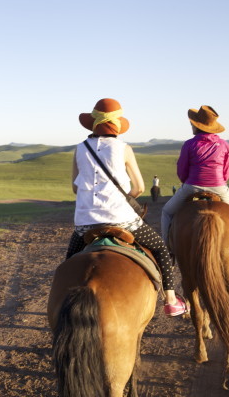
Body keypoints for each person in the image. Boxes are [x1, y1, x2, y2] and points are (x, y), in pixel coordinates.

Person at [65, 98, 188, 317]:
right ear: (116, 125)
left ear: (93, 123)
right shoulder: (123, 148)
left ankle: (65, 299)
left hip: (85, 222)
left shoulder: (80, 149)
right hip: (121, 219)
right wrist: (124, 199)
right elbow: (139, 187)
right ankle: (170, 300)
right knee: (159, 247)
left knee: (70, 262)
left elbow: (76, 189)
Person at [160, 105, 229, 258]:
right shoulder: (224, 145)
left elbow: (182, 169)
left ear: (196, 125)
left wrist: (187, 181)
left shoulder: (189, 144)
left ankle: (168, 249)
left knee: (167, 212)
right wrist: (220, 182)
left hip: (192, 186)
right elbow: (228, 170)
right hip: (219, 187)